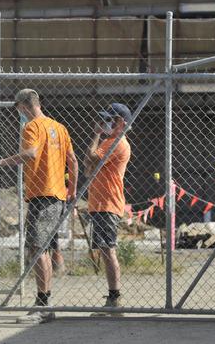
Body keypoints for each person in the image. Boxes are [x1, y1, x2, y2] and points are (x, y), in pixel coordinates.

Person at [0, 89, 78, 324]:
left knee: (37, 249)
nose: (19, 115)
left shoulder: (32, 127)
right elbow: (72, 160)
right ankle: (44, 302)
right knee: (41, 248)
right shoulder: (59, 128)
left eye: (19, 110)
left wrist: (3, 162)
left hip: (42, 195)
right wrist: (71, 190)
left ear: (24, 106)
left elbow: (31, 154)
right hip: (57, 194)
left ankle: (43, 304)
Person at [83, 103, 132, 317]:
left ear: (121, 122)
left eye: (110, 119)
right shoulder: (109, 141)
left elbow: (92, 158)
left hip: (108, 203)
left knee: (108, 248)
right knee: (104, 249)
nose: (105, 123)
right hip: (99, 203)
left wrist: (95, 136)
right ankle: (113, 297)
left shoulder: (117, 143)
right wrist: (93, 154)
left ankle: (115, 297)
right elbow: (88, 166)